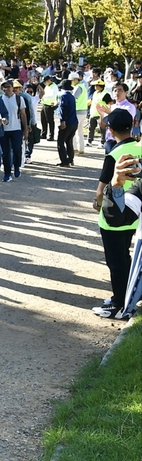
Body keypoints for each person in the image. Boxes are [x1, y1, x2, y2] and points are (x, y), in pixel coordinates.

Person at [92, 109, 142, 319]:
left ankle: (118, 302)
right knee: (125, 257)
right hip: (133, 216)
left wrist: (98, 201)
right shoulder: (138, 147)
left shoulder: (114, 153)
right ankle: (128, 294)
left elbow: (103, 187)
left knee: (115, 262)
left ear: (111, 131)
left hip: (114, 217)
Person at [0, 80, 28, 181]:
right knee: (6, 152)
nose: (7, 89)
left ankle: (17, 167)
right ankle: (7, 173)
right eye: (4, 87)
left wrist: (26, 129)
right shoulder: (0, 99)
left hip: (16, 128)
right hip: (4, 130)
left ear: (12, 87)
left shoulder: (19, 99)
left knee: (17, 150)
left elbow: (23, 114)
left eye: (8, 87)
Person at [56, 78, 78, 168]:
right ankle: (70, 159)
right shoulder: (71, 96)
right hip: (74, 121)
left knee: (60, 142)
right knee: (69, 141)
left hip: (67, 121)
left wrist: (62, 120)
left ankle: (64, 161)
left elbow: (63, 109)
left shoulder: (63, 96)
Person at [41, 75, 58, 141]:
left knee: (50, 121)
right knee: (43, 120)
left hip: (50, 105)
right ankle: (44, 134)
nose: (44, 83)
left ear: (48, 80)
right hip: (44, 104)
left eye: (45, 82)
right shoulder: (47, 86)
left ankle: (51, 135)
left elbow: (52, 95)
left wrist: (44, 96)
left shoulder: (54, 86)